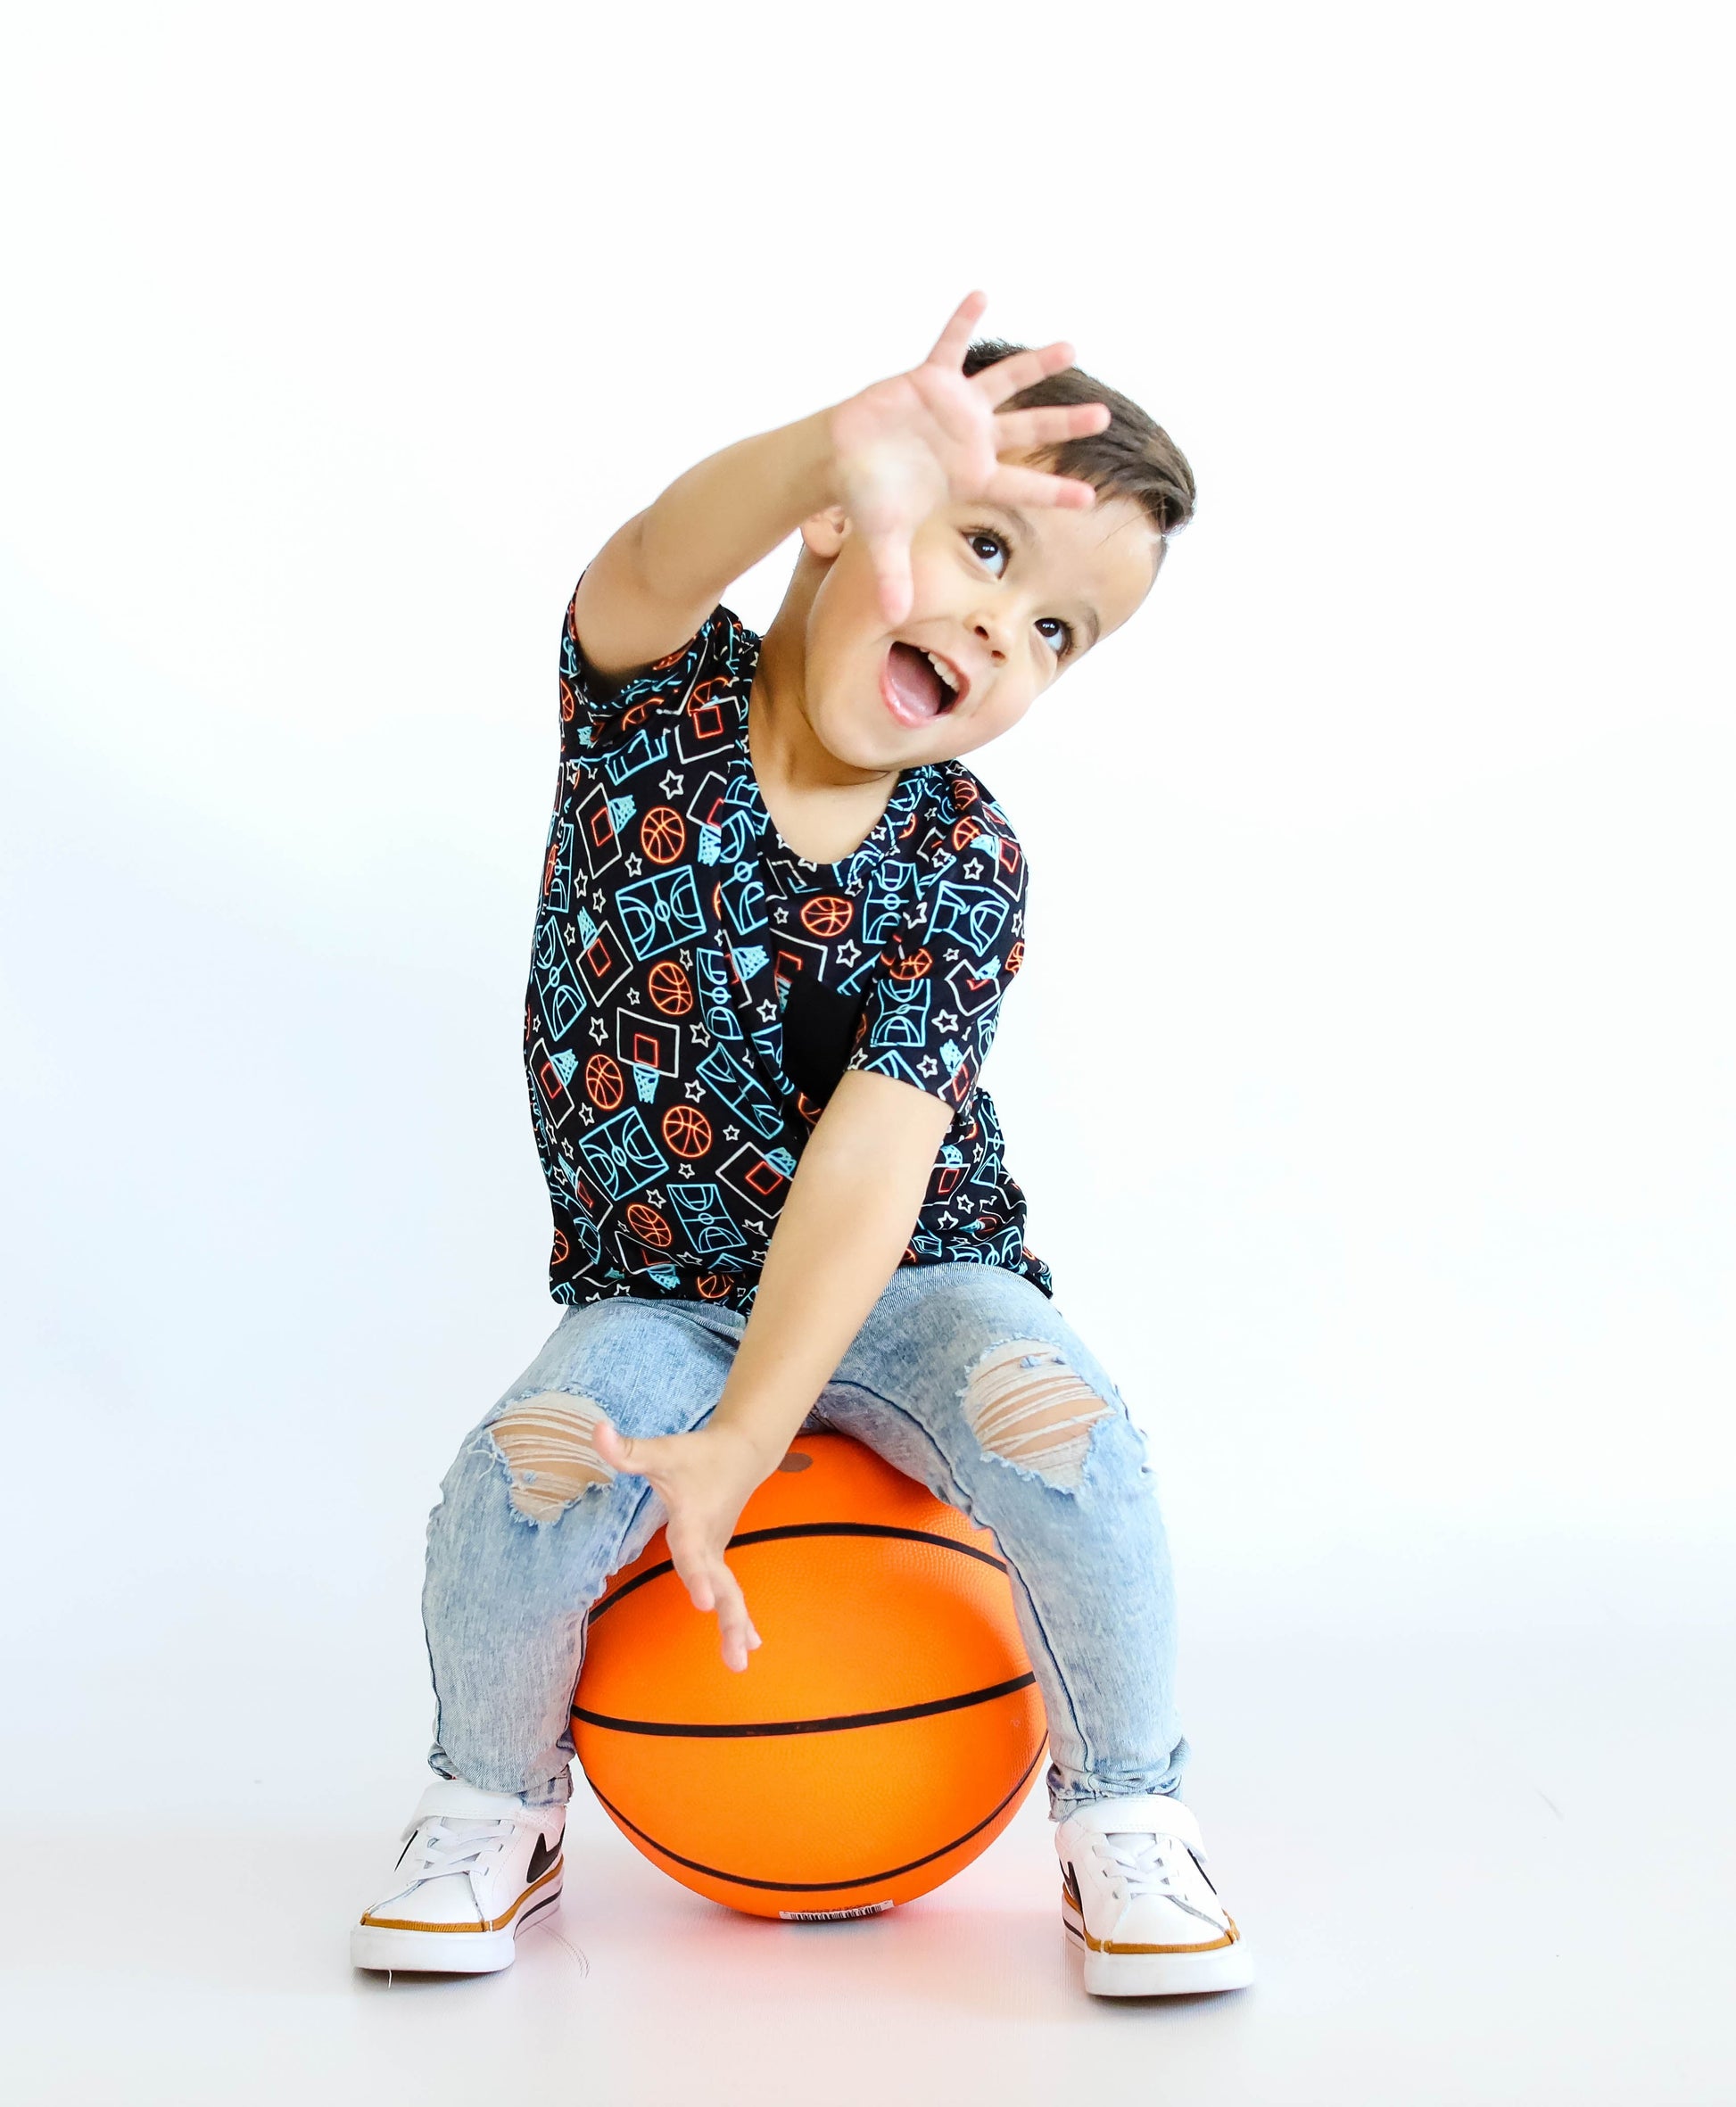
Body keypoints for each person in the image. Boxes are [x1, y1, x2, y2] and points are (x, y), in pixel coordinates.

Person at [350, 293, 1254, 1998]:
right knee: (527, 1475)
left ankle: (1127, 1810)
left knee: (1068, 1436)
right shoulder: (649, 698)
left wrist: (754, 1432)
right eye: (983, 548)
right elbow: (654, 548)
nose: (1000, 631)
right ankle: (491, 1801)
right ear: (842, 520)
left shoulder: (962, 862)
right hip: (664, 1291)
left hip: (913, 1276)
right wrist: (825, 450)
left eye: (1056, 632)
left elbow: (871, 1165)